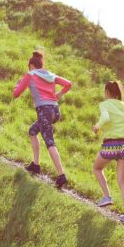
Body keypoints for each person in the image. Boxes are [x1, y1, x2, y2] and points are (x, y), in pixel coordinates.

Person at [12, 51, 72, 188]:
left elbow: (16, 94)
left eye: (29, 67)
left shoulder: (30, 74)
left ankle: (62, 175)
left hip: (44, 111)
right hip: (55, 111)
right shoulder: (50, 74)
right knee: (32, 131)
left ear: (31, 65)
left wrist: (18, 83)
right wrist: (58, 94)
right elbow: (68, 84)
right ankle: (36, 165)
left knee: (49, 142)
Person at [92, 80, 124, 225]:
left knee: (97, 168)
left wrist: (97, 127)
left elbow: (106, 118)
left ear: (107, 93)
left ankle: (107, 196)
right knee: (122, 181)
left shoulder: (104, 104)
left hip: (111, 144)